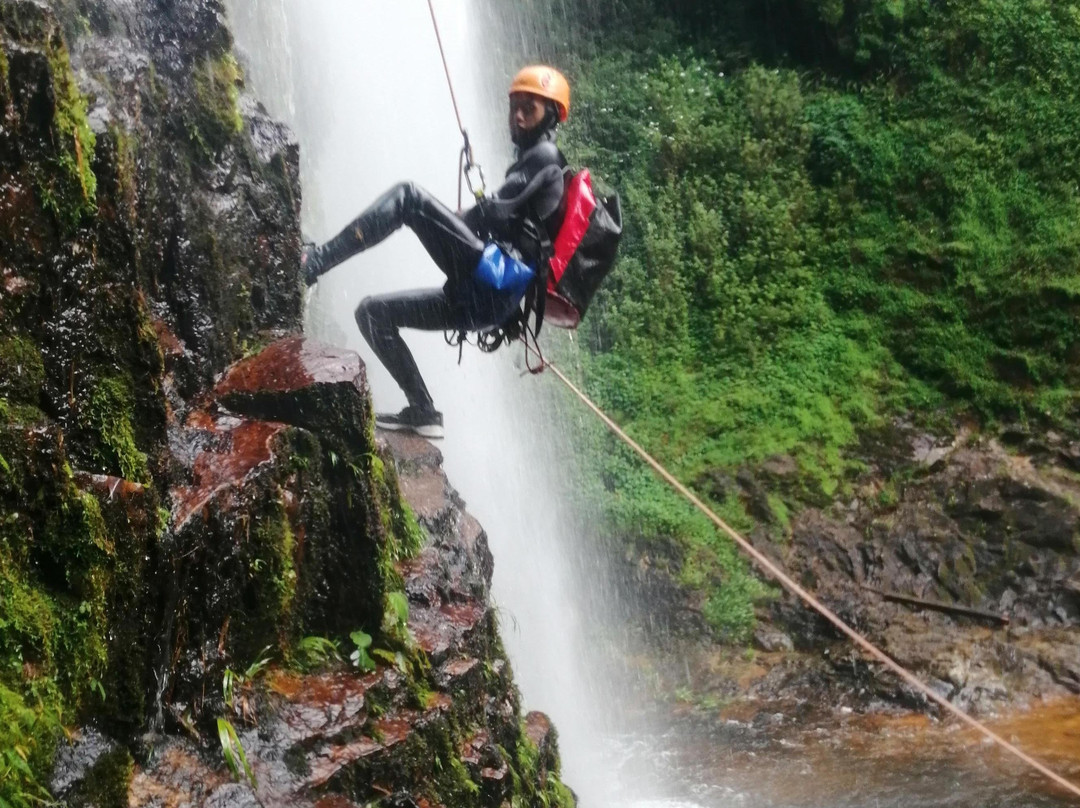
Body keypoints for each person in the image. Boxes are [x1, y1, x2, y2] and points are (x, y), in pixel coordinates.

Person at [302, 66, 571, 439]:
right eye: (515, 107)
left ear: (552, 115)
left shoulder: (545, 155)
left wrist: (449, 217)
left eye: (531, 108)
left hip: (492, 280)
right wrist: (455, 219)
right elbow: (492, 216)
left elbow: (490, 212)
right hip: (484, 303)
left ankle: (313, 261)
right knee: (373, 314)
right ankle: (423, 410)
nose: (519, 116)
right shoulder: (537, 162)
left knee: (408, 197)